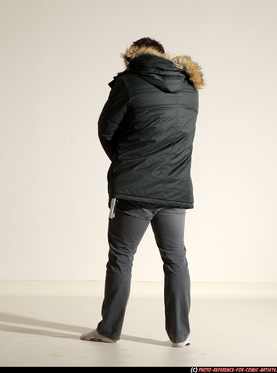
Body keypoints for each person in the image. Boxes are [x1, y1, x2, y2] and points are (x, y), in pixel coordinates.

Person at [80, 37, 204, 347]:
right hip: (174, 190)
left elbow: (106, 130)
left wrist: (127, 164)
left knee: (121, 258)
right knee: (176, 260)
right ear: (164, 56)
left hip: (134, 191)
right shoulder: (190, 88)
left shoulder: (129, 83)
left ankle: (108, 331)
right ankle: (180, 336)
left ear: (133, 57)